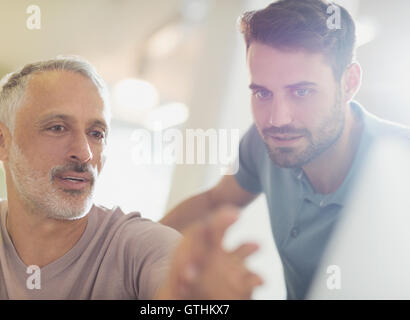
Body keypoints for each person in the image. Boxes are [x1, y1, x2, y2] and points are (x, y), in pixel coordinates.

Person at [160, 0, 410, 299]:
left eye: (302, 92)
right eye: (263, 93)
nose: (278, 120)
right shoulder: (263, 141)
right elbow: (215, 200)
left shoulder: (401, 165)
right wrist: (128, 250)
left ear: (349, 82)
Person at [0, 56, 263, 299]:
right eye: (57, 127)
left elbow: (171, 279)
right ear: (1, 141)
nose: (84, 153)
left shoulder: (137, 246)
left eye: (96, 133)